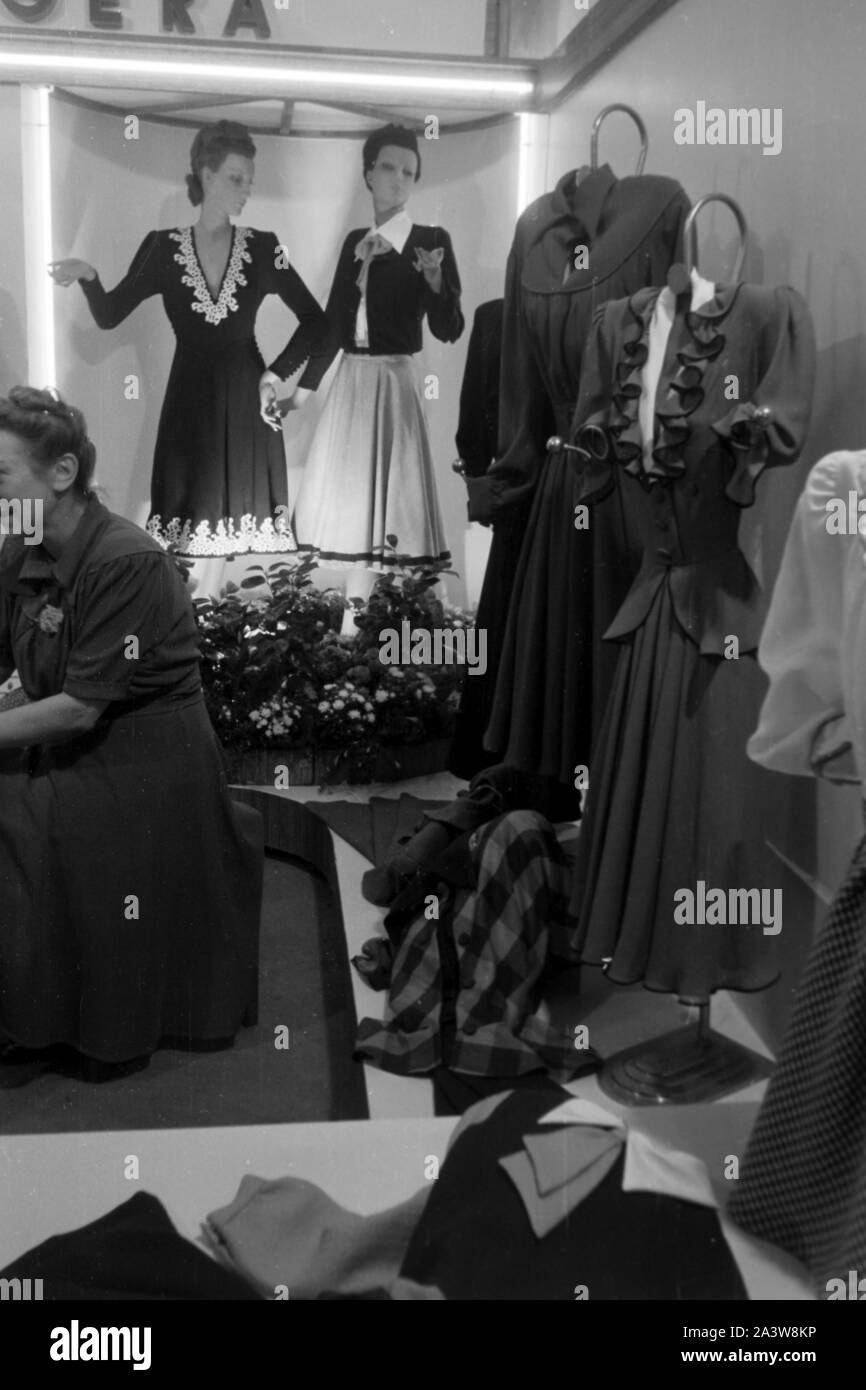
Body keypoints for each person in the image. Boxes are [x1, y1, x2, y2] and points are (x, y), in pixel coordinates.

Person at [0, 387, 263, 1082]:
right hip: (73, 740)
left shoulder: (126, 559)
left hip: (141, 762)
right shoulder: (16, 547)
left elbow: (82, 707)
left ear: (60, 474)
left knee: (15, 821)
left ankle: (48, 1017)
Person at [48, 120, 329, 559]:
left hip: (248, 407)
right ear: (206, 174)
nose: (245, 190)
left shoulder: (264, 247)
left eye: (249, 181)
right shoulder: (162, 249)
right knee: (185, 546)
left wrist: (276, 375)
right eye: (236, 178)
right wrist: (90, 276)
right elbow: (109, 314)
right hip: (189, 408)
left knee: (247, 554)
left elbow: (318, 321)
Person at [291, 123, 464, 633]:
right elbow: (332, 326)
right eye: (387, 168)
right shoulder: (354, 243)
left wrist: (434, 279)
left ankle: (412, 629)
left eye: (408, 172)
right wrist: (301, 394)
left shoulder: (431, 241)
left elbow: (449, 327)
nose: (397, 179)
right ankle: (352, 626)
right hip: (352, 383)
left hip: (394, 382)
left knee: (396, 505)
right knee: (354, 503)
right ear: (369, 174)